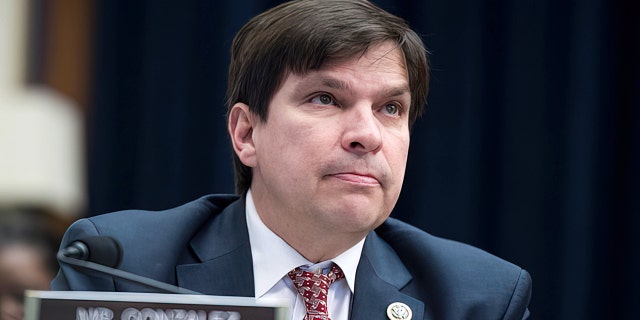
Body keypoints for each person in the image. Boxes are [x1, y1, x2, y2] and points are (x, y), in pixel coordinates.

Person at [51, 0, 532, 319]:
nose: (367, 135)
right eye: (325, 99)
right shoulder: (123, 267)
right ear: (246, 133)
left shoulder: (480, 298)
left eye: (391, 108)